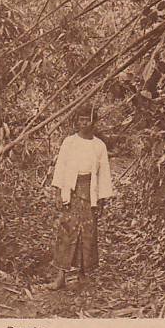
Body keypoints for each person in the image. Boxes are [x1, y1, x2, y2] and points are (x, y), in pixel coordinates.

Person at [47, 102, 113, 290]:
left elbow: (104, 174)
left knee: (88, 233)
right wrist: (59, 192)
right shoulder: (70, 142)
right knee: (67, 231)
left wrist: (102, 199)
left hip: (89, 192)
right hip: (72, 190)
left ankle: (83, 275)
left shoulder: (99, 146)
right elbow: (61, 167)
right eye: (80, 119)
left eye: (87, 120)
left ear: (94, 122)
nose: (83, 123)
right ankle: (61, 277)